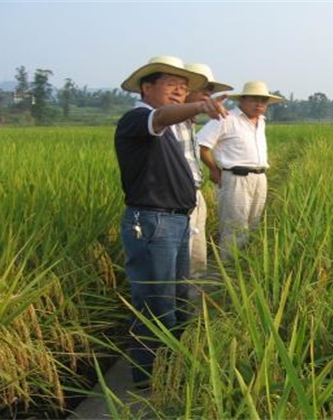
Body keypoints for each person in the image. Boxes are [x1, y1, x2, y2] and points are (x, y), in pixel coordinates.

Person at [114, 55, 227, 387]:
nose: (179, 92)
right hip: (152, 222)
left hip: (175, 221)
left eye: (183, 88)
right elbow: (161, 116)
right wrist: (199, 107)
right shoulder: (138, 119)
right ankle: (149, 379)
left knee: (176, 297)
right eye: (171, 85)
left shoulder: (174, 128)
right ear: (146, 88)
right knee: (156, 302)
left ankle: (172, 367)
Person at [197, 81, 284, 260]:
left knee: (253, 223)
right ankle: (227, 271)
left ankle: (243, 268)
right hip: (235, 178)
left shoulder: (261, 122)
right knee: (235, 225)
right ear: (242, 100)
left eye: (263, 100)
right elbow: (201, 145)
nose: (259, 104)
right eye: (254, 99)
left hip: (260, 177)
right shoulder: (226, 118)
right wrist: (214, 169)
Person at [175, 63, 232, 294]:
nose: (208, 93)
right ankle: (183, 313)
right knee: (183, 259)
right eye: (203, 89)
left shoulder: (188, 124)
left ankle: (195, 310)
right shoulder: (167, 123)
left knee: (198, 256)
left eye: (210, 89)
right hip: (176, 200)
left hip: (195, 194)